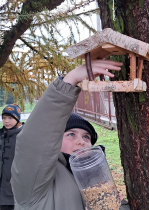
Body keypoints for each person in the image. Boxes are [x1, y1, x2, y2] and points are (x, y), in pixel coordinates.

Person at [11, 60, 127, 210]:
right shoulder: (34, 181)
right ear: (54, 140)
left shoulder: (93, 176)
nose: (81, 142)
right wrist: (71, 80)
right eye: (71, 134)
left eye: (86, 137)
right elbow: (34, 143)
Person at [0, 104, 23, 210]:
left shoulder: (22, 136)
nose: (6, 121)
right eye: (4, 118)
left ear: (17, 118)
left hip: (14, 189)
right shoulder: (1, 135)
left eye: (10, 118)